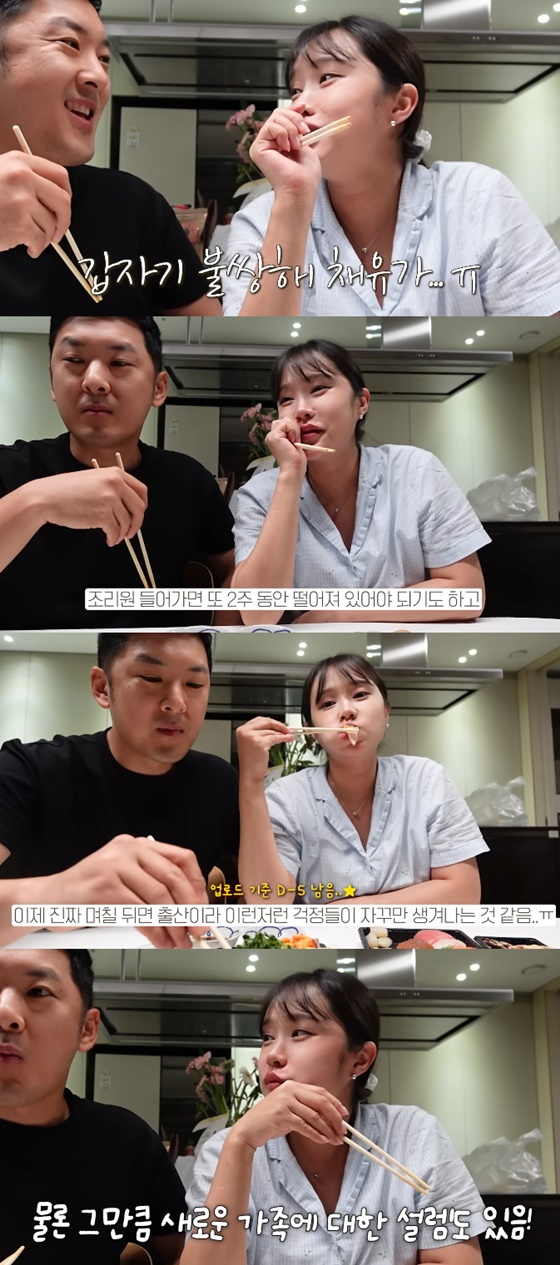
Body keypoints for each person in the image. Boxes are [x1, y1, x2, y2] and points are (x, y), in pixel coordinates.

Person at [221, 15, 560, 319]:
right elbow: (258, 346)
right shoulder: (260, 221)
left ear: (399, 104)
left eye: (326, 77)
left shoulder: (477, 196)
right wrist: (293, 199)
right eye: (295, 90)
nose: (299, 105)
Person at [183, 968, 487, 1265]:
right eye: (267, 1037)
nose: (272, 1055)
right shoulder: (225, 1150)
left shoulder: (414, 1134)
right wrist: (241, 1143)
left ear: (360, 1059)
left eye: (299, 1032)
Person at [0, 632, 240, 947]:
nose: (177, 703)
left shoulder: (219, 781)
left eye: (194, 684)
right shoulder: (25, 769)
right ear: (103, 687)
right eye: (152, 678)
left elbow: (265, 894)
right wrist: (63, 891)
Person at [232, 339, 490, 625]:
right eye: (286, 399)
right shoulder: (259, 494)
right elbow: (257, 613)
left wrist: (340, 613)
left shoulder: (416, 470)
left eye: (318, 388)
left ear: (361, 403)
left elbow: (466, 593)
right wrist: (290, 474)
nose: (301, 410)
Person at [0, 313, 235, 628]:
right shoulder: (10, 470)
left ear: (158, 388)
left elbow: (233, 576)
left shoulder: (189, 481)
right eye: (74, 360)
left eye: (120, 362)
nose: (94, 380)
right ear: (52, 381)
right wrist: (37, 502)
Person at [0, 0, 221, 315]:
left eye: (104, 59)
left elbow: (207, 320)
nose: (100, 77)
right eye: (69, 43)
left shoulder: (134, 204)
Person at [236, 654, 486, 905]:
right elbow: (267, 902)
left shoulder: (426, 780)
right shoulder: (287, 798)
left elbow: (464, 893)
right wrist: (251, 781)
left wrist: (344, 910)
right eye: (328, 703)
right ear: (311, 730)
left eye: (360, 695)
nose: (347, 711)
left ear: (386, 712)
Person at [0, 947, 187, 1264]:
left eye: (38, 992)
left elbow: (180, 1255)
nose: (5, 1013)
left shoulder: (126, 1142)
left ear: (86, 1029)